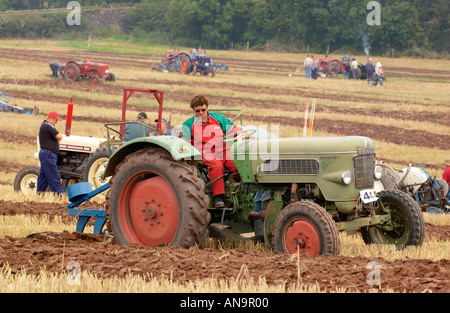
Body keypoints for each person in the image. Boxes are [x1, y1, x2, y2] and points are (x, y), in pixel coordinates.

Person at [182, 95, 248, 209]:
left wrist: (242, 134)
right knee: (217, 166)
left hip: (222, 150)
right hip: (205, 153)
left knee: (237, 164)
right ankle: (218, 196)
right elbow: (185, 143)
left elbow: (233, 129)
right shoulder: (188, 124)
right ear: (194, 111)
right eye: (198, 111)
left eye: (203, 110)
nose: (201, 113)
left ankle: (243, 188)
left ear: (207, 108)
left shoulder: (218, 118)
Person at [37, 111, 64, 195]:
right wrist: (57, 138)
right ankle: (59, 195)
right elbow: (60, 136)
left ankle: (39, 194)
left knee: (43, 177)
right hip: (48, 155)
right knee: (54, 176)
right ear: (51, 119)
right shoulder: (47, 126)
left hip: (46, 154)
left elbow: (57, 137)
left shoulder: (46, 126)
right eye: (56, 120)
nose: (56, 123)